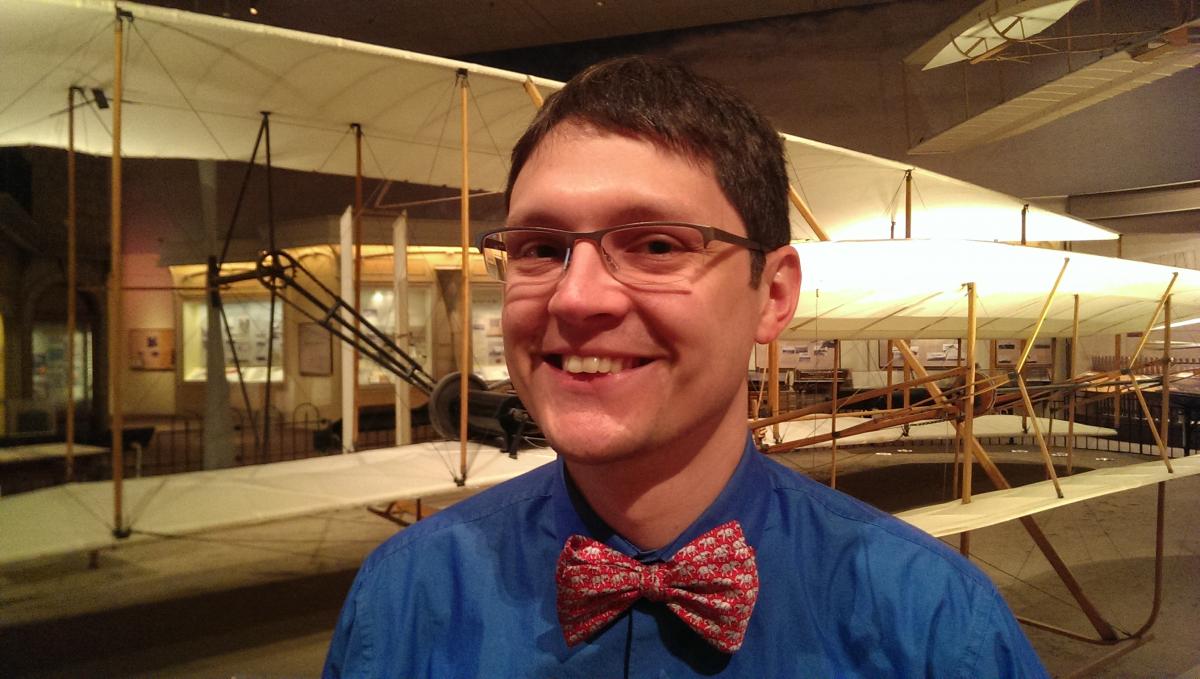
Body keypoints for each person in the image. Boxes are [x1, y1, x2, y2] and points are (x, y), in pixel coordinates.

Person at [323, 56, 1048, 678]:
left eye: (658, 246)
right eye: (539, 249)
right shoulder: (400, 601)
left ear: (773, 294)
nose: (576, 297)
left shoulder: (940, 631)